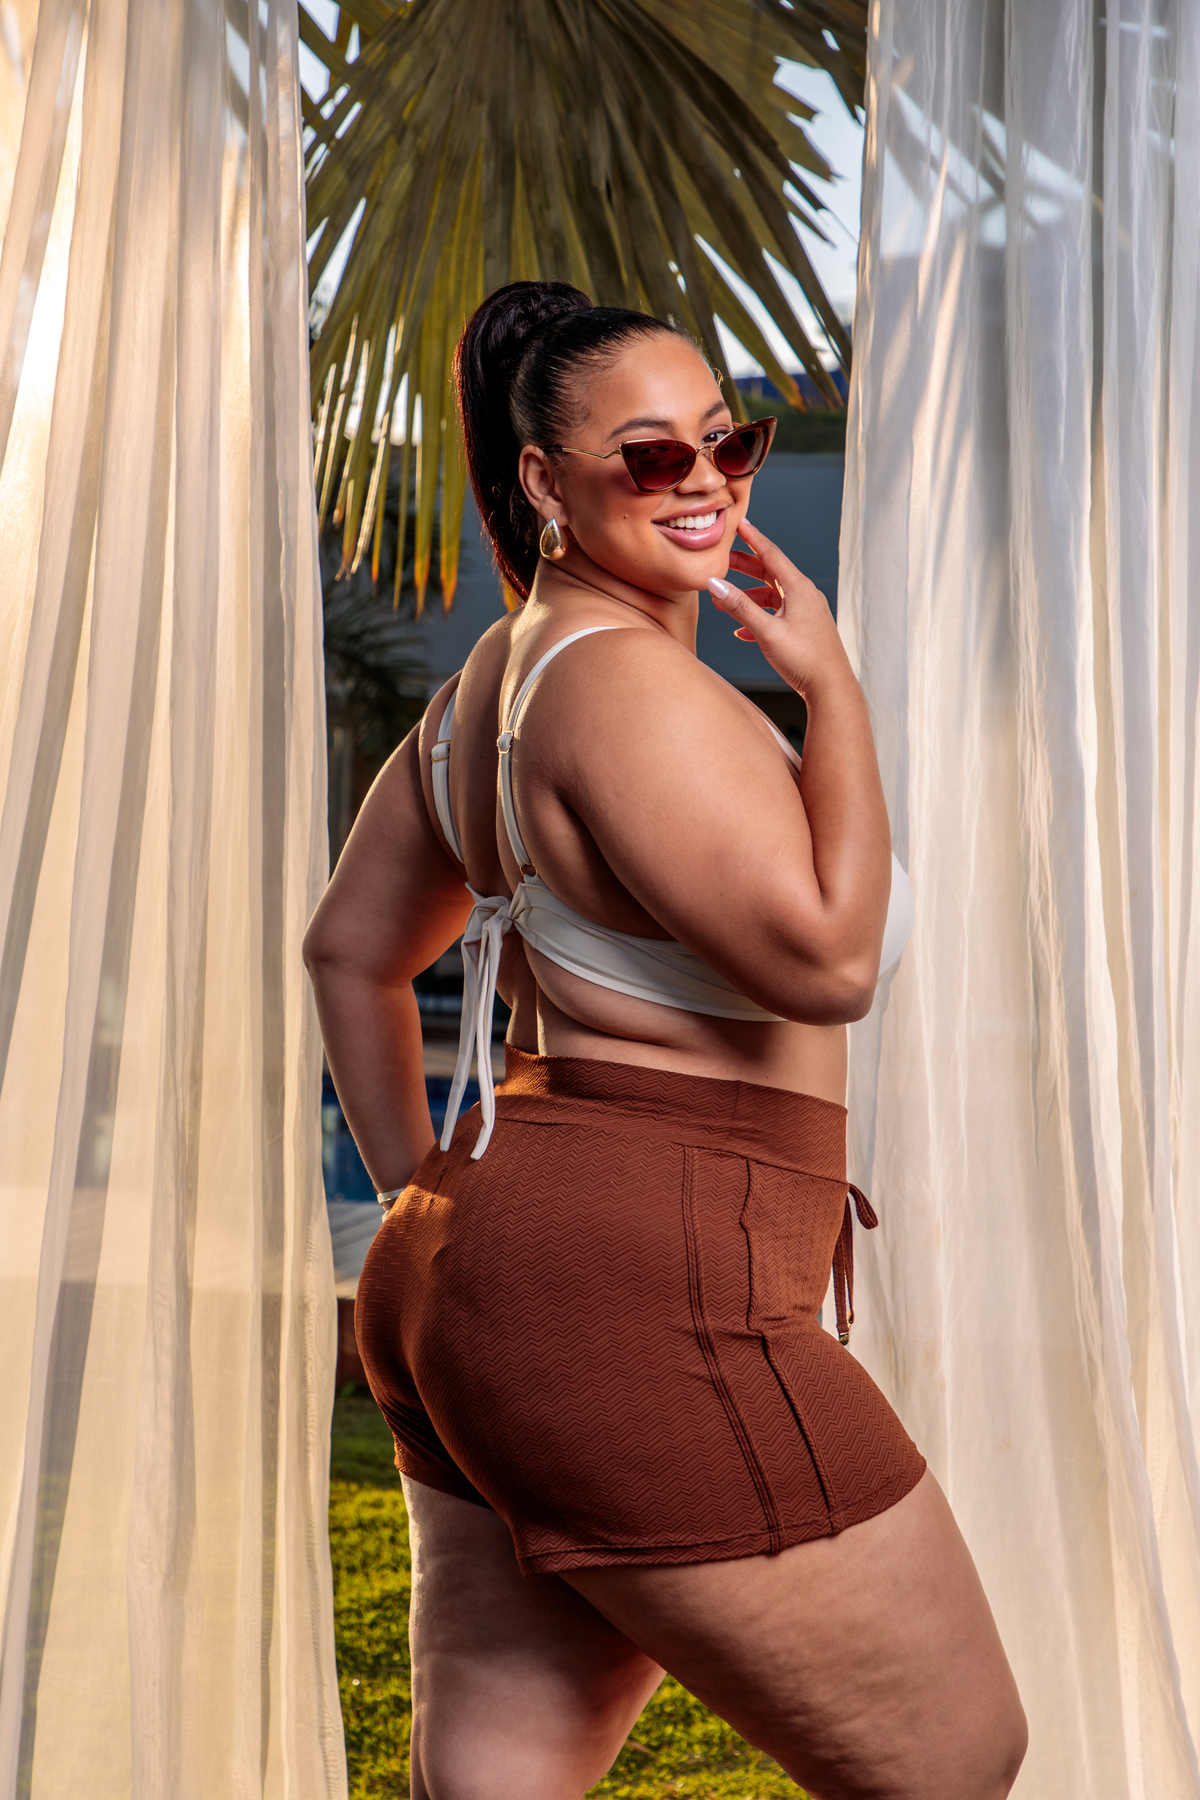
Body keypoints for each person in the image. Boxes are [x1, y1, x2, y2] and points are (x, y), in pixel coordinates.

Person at [303, 280, 1027, 1800]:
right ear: (543, 480)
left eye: (726, 441)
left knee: (493, 1786)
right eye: (649, 454)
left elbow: (348, 951)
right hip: (647, 1282)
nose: (704, 481)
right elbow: (829, 960)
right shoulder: (628, 684)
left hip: (484, 1270)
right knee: (958, 1757)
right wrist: (831, 685)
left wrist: (439, 1199)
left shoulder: (486, 690)